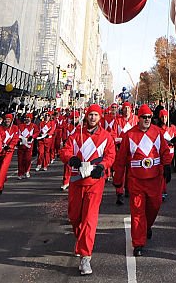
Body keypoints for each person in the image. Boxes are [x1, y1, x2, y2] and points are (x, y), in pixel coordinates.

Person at [60, 104, 116, 276]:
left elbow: (110, 155)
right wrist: (72, 159)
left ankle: (85, 256)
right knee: (75, 216)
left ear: (100, 118)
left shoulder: (106, 136)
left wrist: (103, 166)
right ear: (86, 116)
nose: (93, 118)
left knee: (89, 219)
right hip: (76, 182)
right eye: (90, 114)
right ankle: (81, 240)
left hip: (95, 183)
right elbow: (64, 151)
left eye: (96, 115)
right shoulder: (77, 135)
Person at [113, 105, 171, 257]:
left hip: (155, 180)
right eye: (144, 117)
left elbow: (165, 151)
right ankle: (138, 243)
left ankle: (146, 227)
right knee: (137, 212)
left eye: (149, 117)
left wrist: (167, 166)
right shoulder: (129, 135)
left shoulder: (157, 132)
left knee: (154, 206)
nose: (146, 120)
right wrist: (118, 180)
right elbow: (120, 160)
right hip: (136, 180)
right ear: (138, 118)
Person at [0, 114, 17, 194]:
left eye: (9, 119)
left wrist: (10, 146)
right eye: (6, 119)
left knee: (3, 167)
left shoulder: (15, 128)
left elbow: (15, 138)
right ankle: (3, 178)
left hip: (8, 151)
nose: (7, 121)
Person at [15, 113, 36, 179]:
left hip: (29, 145)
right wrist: (19, 139)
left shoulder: (33, 126)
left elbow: (37, 132)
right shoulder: (20, 126)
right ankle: (20, 173)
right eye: (26, 117)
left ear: (31, 118)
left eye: (28, 117)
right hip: (21, 145)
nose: (27, 119)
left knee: (27, 159)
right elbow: (17, 133)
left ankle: (27, 171)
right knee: (20, 160)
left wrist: (32, 136)